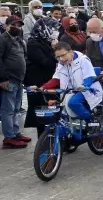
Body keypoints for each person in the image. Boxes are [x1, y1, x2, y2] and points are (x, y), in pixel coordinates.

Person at [38, 42, 103, 141]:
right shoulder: (61, 64)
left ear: (70, 52)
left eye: (63, 55)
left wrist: (84, 85)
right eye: (58, 57)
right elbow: (56, 79)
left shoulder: (83, 60)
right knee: (60, 108)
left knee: (73, 103)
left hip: (88, 89)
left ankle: (90, 121)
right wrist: (43, 87)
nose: (61, 59)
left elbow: (89, 76)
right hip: (70, 91)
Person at [24, 18, 59, 138]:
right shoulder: (33, 44)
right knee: (42, 114)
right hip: (38, 83)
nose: (55, 32)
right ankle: (43, 140)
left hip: (50, 82)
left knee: (53, 110)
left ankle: (56, 138)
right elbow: (46, 63)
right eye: (53, 29)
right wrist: (55, 50)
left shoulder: (47, 42)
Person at [0, 16, 29, 148]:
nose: (17, 27)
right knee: (8, 109)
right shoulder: (3, 39)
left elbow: (23, 57)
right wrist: (3, 78)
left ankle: (15, 132)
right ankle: (9, 137)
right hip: (9, 79)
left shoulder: (19, 40)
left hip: (19, 79)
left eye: (19, 25)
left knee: (17, 108)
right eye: (14, 25)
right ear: (6, 25)